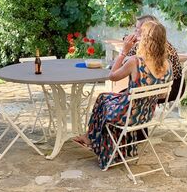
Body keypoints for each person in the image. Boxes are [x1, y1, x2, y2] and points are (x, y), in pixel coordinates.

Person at [73, 20, 172, 169]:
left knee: (103, 99)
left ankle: (92, 139)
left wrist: (124, 51)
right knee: (108, 99)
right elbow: (163, 96)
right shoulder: (167, 64)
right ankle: (98, 141)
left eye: (139, 33)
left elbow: (112, 76)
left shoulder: (135, 62)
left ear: (144, 39)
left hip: (127, 116)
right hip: (145, 115)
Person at [129, 14, 183, 101]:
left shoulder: (146, 46)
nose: (135, 31)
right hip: (169, 87)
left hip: (167, 91)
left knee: (127, 95)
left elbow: (128, 62)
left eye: (137, 28)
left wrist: (125, 49)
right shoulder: (162, 43)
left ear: (146, 29)